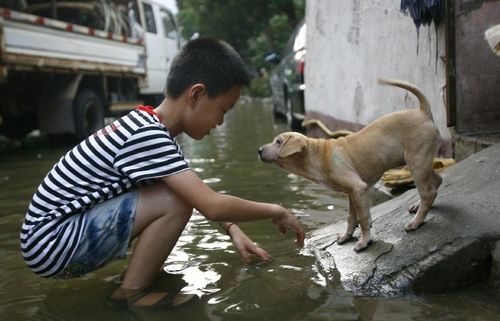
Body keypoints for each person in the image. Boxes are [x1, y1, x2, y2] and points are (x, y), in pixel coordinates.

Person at [20, 38, 305, 307]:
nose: (220, 121)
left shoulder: (149, 128)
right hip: (52, 242)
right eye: (223, 110)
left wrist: (233, 230)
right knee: (175, 201)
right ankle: (130, 295)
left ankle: (137, 283)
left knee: (179, 194)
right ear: (196, 94)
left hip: (51, 240)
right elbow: (211, 204)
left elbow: (198, 193)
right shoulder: (148, 136)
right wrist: (276, 210)